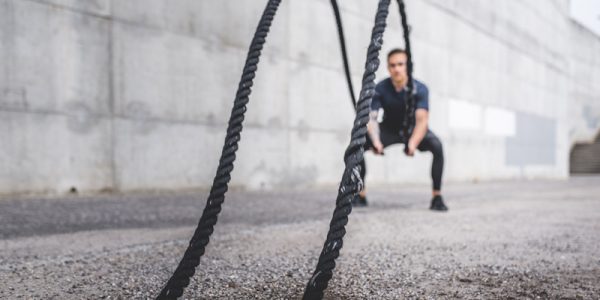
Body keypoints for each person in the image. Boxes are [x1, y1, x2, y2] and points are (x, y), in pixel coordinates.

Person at [354, 48, 448, 211]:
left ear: (408, 66)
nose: (396, 68)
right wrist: (376, 141)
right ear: (388, 67)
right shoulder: (380, 88)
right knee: (357, 146)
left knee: (437, 146)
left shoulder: (420, 88)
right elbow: (372, 117)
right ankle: (360, 195)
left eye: (400, 64)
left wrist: (412, 144)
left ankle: (437, 196)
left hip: (414, 129)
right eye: (392, 65)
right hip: (389, 128)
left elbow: (422, 121)